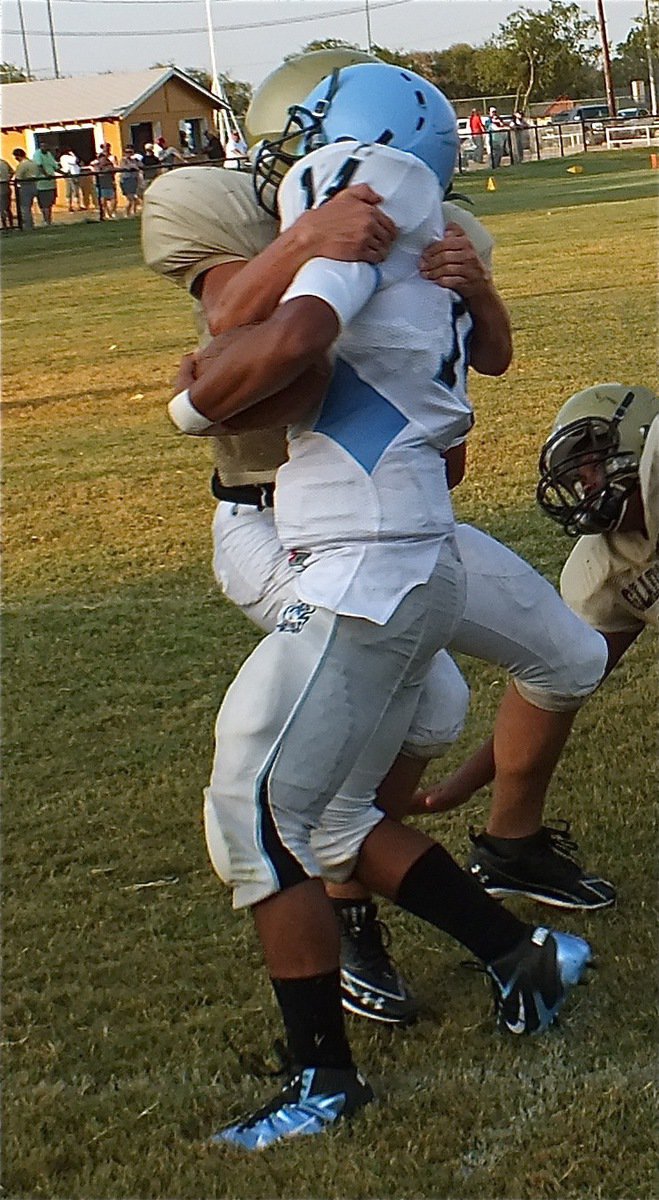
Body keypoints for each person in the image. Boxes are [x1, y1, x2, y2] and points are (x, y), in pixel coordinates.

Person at [166, 61, 592, 1148]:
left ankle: (324, 1081)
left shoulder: (357, 178)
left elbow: (295, 340)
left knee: (252, 812)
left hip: (368, 557)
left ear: (340, 137)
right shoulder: (390, 217)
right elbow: (267, 318)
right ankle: (519, 958)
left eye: (305, 130)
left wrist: (186, 402)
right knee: (334, 815)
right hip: (386, 544)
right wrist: (294, 261)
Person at [11, 148, 39, 230]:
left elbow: (18, 177)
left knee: (25, 207)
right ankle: (30, 224)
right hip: (35, 185)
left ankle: (28, 225)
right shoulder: (33, 163)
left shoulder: (22, 165)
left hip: (25, 186)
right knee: (29, 206)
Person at [32, 144, 58, 225]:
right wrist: (46, 175)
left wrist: (65, 173)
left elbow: (55, 166)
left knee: (50, 204)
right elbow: (39, 166)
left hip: (51, 183)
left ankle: (48, 220)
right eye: (43, 146)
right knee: (44, 204)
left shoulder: (49, 154)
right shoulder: (37, 154)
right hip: (42, 185)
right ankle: (46, 220)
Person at [91, 149, 117, 218]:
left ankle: (112, 212)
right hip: (101, 185)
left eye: (103, 158)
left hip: (109, 184)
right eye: (100, 158)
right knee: (103, 201)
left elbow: (113, 170)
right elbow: (97, 173)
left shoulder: (109, 165)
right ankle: (106, 213)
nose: (102, 159)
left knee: (113, 200)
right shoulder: (96, 166)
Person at [118, 146, 142, 216]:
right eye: (127, 152)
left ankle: (133, 212)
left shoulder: (134, 160)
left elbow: (141, 165)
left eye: (130, 152)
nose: (129, 154)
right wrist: (134, 166)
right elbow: (126, 167)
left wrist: (137, 162)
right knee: (130, 198)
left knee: (134, 198)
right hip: (126, 180)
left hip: (134, 180)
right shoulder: (123, 160)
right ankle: (126, 213)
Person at [59, 147, 83, 212]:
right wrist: (73, 154)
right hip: (72, 174)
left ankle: (69, 206)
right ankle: (76, 205)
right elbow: (76, 160)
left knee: (69, 190)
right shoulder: (66, 157)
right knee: (75, 190)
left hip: (69, 174)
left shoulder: (62, 157)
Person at [0, 157, 14, 228]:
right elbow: (12, 172)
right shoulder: (4, 162)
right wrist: (8, 178)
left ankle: (4, 225)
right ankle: (11, 224)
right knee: (8, 207)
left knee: (1, 208)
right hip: (6, 186)